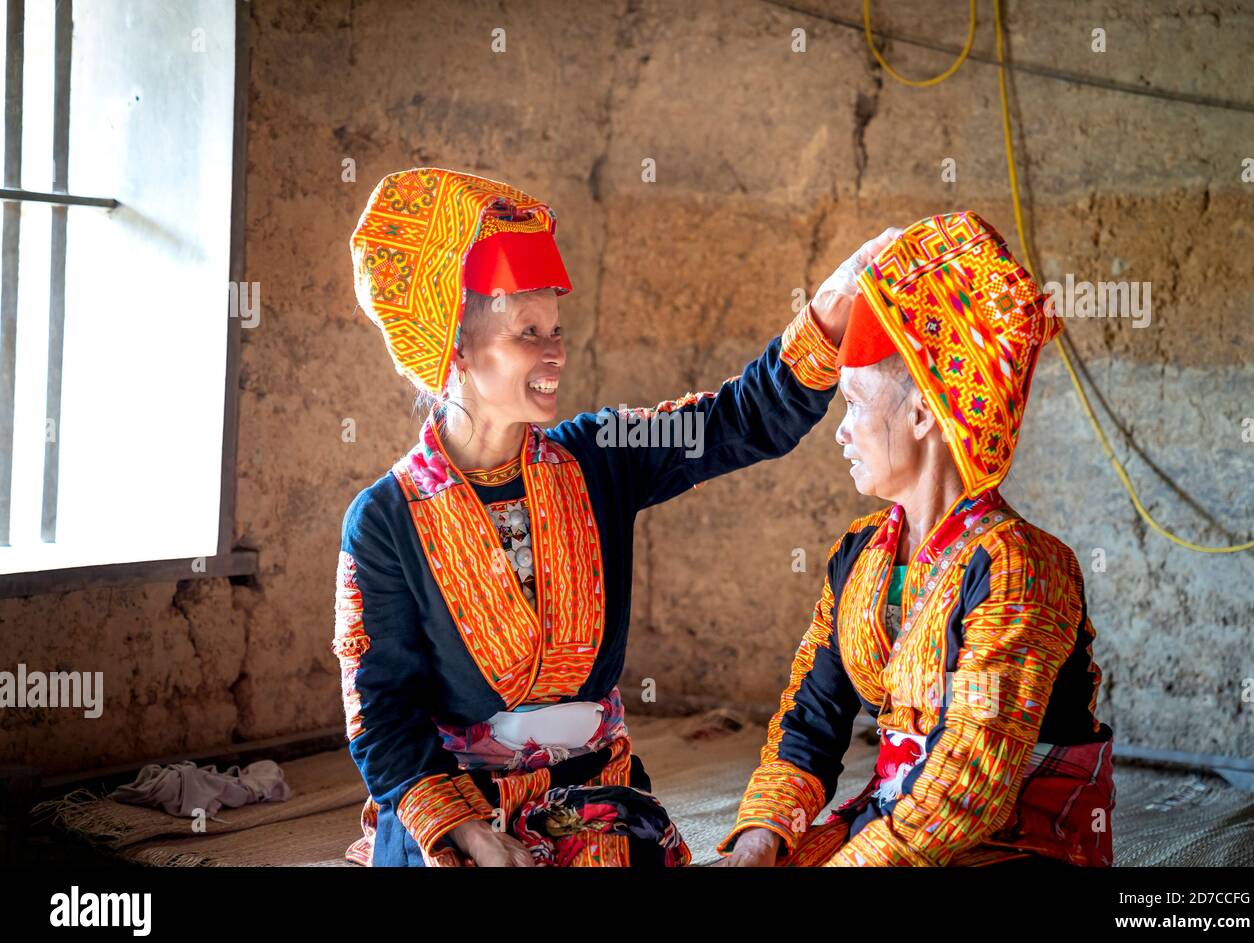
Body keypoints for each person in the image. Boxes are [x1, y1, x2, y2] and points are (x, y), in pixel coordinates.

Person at [333, 165, 898, 866]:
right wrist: (471, 833)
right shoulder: (385, 518)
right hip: (458, 806)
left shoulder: (600, 455)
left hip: (592, 798)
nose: (555, 352)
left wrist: (829, 310)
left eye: (557, 329)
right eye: (527, 333)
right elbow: (382, 712)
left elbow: (736, 421)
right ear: (455, 349)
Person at [716, 211, 1115, 867]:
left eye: (853, 402)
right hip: (897, 821)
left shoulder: (1021, 567)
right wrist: (759, 843)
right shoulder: (860, 555)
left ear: (924, 410)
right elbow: (812, 722)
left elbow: (970, 788)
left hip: (1013, 843)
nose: (839, 430)